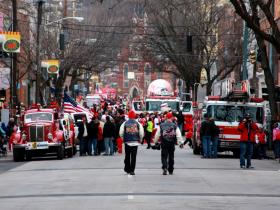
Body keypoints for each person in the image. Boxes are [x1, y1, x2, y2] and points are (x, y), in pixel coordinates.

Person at [119, 110, 144, 175]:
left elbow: (121, 133)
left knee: (127, 156)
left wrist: (123, 139)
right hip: (135, 142)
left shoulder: (125, 123)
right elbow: (141, 133)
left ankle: (127, 169)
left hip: (127, 141)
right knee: (133, 157)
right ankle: (132, 170)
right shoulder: (138, 123)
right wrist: (140, 139)